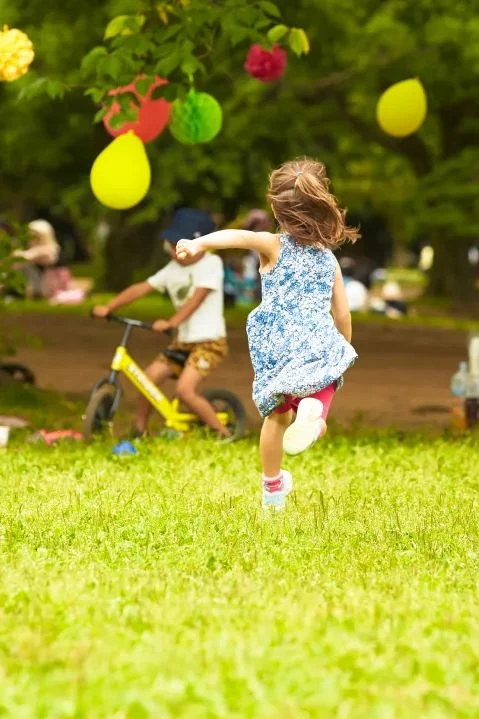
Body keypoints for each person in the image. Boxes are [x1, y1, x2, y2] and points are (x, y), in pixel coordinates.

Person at [177, 157, 359, 510]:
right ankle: (314, 417)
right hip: (315, 339)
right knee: (317, 394)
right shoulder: (328, 259)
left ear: (276, 206)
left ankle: (272, 492)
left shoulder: (272, 244)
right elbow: (343, 313)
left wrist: (199, 245)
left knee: (276, 418)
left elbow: (237, 237)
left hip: (275, 344)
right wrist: (341, 349)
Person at [93, 209, 230, 438]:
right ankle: (140, 429)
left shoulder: (211, 264)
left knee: (185, 391)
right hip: (182, 341)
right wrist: (109, 307)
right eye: (171, 245)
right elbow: (141, 288)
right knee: (147, 380)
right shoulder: (172, 269)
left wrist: (171, 322)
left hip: (209, 342)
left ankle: (224, 433)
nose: (174, 252)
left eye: (180, 245)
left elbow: (197, 298)